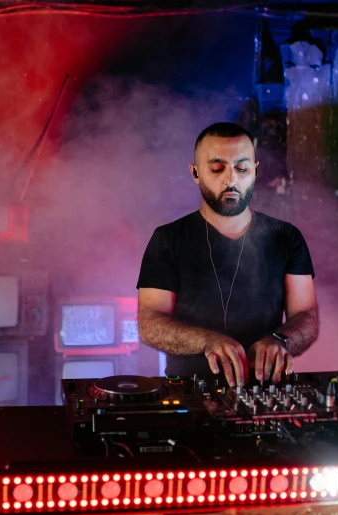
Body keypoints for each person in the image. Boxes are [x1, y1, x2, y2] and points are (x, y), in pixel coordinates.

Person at [136, 122, 319, 386]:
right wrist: (207, 341)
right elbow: (150, 323)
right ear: (196, 173)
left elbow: (306, 317)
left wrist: (280, 340)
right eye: (217, 168)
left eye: (242, 168)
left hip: (267, 389)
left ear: (255, 172)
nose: (231, 179)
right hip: (190, 387)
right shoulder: (168, 239)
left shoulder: (287, 238)